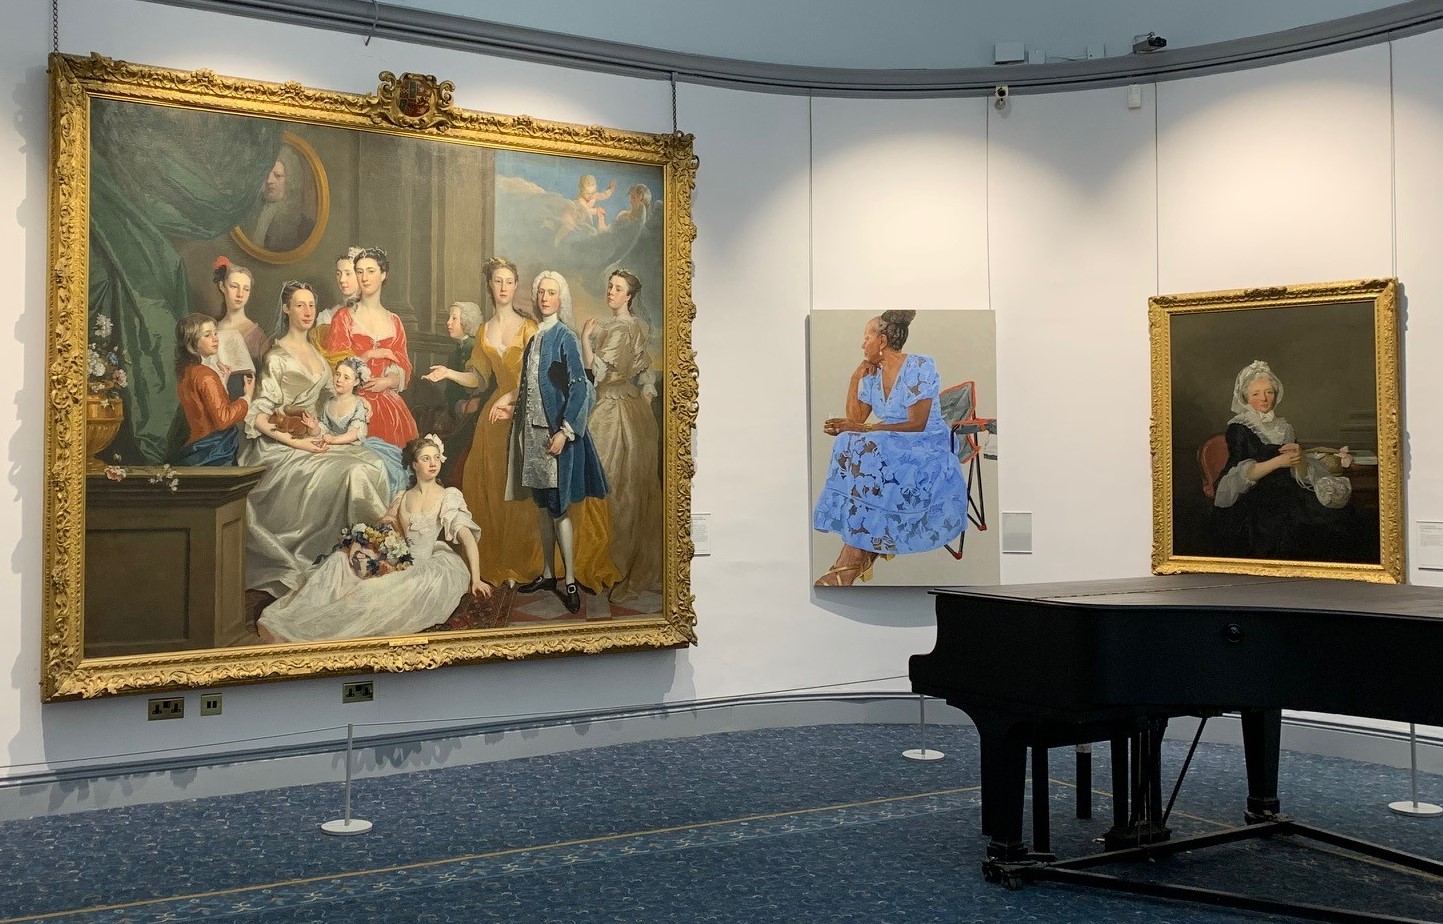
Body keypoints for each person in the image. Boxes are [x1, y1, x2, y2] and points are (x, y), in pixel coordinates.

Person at [257, 434, 492, 643]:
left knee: (371, 594)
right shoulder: (402, 496)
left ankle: (326, 625)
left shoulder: (448, 496)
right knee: (337, 561)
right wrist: (363, 541)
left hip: (425, 567)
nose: (433, 463)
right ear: (413, 465)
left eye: (436, 457)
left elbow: (467, 537)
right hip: (397, 559)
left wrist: (477, 578)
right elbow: (386, 528)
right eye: (426, 458)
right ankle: (301, 616)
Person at [239, 281, 391, 596]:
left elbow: (330, 402)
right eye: (299, 305)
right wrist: (301, 443)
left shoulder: (317, 355)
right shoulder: (276, 356)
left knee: (373, 463)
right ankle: (353, 555)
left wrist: (338, 424)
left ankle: (373, 553)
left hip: (312, 437)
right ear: (285, 309)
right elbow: (260, 416)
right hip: (280, 448)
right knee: (353, 471)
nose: (307, 312)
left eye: (311, 305)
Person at [811, 310, 970, 586]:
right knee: (846, 442)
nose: (863, 345)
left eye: (866, 338)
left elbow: (918, 423)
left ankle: (854, 557)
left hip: (926, 444)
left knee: (872, 445)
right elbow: (855, 419)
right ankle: (862, 544)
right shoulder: (873, 375)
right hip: (888, 439)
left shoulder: (920, 365)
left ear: (882, 340)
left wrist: (867, 430)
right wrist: (856, 377)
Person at [423, 257, 543, 585]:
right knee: (488, 480)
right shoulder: (483, 331)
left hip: (525, 408)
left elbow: (536, 377)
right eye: (497, 281)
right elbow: (478, 378)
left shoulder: (530, 327)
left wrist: (510, 399)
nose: (503, 288)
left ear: (515, 285)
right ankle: (493, 559)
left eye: (508, 282)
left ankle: (523, 561)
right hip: (492, 416)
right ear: (489, 286)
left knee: (519, 487)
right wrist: (448, 372)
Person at [505, 270, 617, 613]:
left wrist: (565, 431)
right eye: (541, 292)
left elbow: (581, 387)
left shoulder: (565, 336)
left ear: (560, 299)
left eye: (551, 293)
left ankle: (569, 580)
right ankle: (548, 573)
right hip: (533, 435)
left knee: (559, 507)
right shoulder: (535, 337)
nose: (544, 298)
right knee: (542, 506)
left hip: (556, 436)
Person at [1211, 360, 1368, 562]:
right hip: (1255, 495)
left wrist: (1299, 459)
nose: (1264, 399)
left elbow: (1298, 470)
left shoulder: (1284, 427)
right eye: (1256, 394)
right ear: (1245, 397)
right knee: (1279, 527)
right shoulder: (1239, 428)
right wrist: (1279, 462)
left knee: (1339, 517)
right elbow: (1241, 474)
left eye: (1269, 392)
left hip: (1289, 489)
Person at [580, 270, 662, 602]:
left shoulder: (620, 329)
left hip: (611, 408)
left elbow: (596, 373)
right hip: (631, 408)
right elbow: (646, 370)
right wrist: (646, 393)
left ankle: (609, 563)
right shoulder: (634, 327)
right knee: (624, 485)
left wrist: (585, 339)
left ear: (629, 296)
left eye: (618, 289)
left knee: (611, 483)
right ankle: (609, 561)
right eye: (610, 287)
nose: (611, 292)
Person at [322, 247, 420, 448]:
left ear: (383, 275)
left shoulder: (395, 321)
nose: (364, 278)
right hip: (353, 405)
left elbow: (403, 363)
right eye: (359, 271)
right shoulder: (344, 317)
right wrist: (370, 354)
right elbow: (335, 363)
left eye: (371, 271)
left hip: (390, 409)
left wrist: (389, 380)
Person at [320, 357, 409, 499]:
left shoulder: (358, 404)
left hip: (355, 448)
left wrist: (333, 439)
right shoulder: (329, 402)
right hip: (334, 448)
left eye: (346, 377)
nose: (339, 380)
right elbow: (323, 426)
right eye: (337, 374)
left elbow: (355, 433)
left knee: (368, 469)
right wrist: (314, 428)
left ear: (356, 382)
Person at [172, 312, 253, 466]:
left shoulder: (187, 372)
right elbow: (223, 420)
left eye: (215, 333)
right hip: (213, 449)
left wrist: (222, 381)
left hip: (196, 444)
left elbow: (204, 407)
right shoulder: (206, 375)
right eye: (207, 335)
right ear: (192, 343)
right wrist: (246, 398)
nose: (215, 338)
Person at [436, 299, 486, 487]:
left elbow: (484, 384)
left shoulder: (474, 349)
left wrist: (473, 403)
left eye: (454, 318)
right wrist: (457, 404)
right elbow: (451, 391)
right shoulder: (456, 351)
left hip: (473, 414)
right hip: (459, 410)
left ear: (466, 322)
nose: (448, 322)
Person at [211, 257, 271, 396]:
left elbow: (268, 380)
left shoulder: (258, 336)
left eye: (246, 289)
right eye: (234, 286)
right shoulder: (212, 330)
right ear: (222, 287)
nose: (240, 294)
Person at [245, 151, 313, 253]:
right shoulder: (246, 216)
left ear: (290, 181)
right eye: (265, 175)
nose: (269, 181)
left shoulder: (304, 226)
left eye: (278, 175)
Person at [313, 246, 363, 367]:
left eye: (348, 273)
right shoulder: (328, 316)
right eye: (338, 273)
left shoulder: (372, 313)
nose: (342, 279)